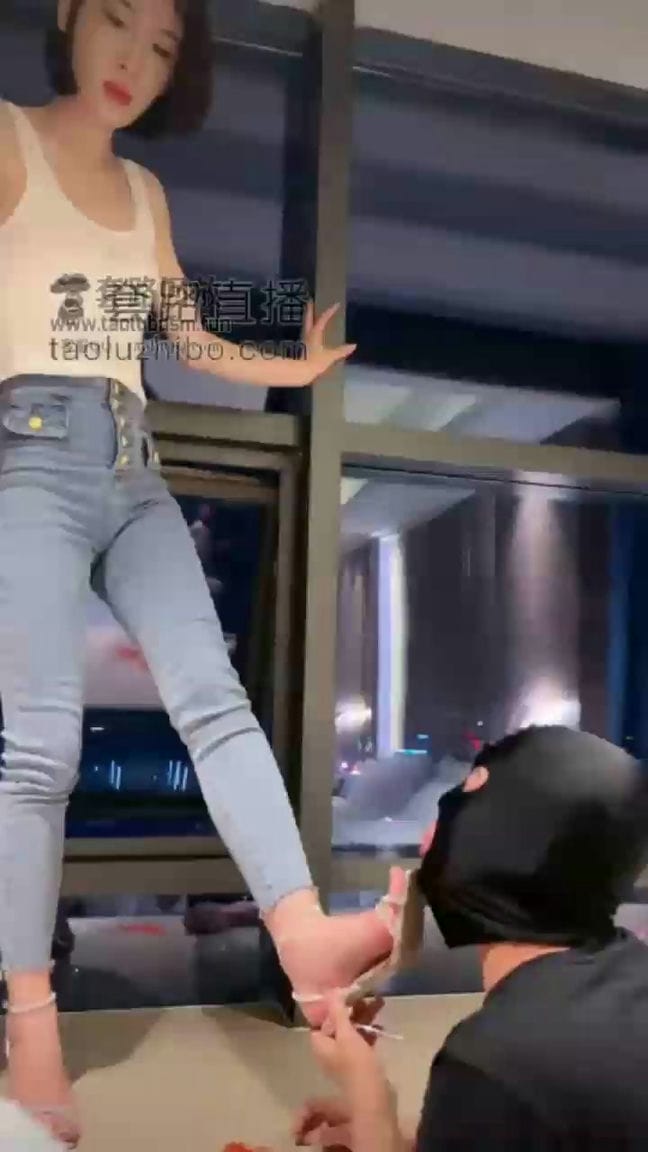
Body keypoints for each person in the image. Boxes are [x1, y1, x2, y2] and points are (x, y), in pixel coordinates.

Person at [0, 1, 418, 1144]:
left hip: (132, 459)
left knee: (216, 703)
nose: (134, 58)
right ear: (69, 17)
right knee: (40, 747)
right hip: (28, 448)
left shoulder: (146, 193)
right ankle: (31, 1020)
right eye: (117, 21)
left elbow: (182, 333)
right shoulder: (9, 138)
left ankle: (302, 936)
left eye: (163, 46)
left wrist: (294, 364)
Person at [293, 727, 648, 1151]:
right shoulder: (631, 976)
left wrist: (368, 1097)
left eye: (457, 808)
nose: (427, 840)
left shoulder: (495, 1063)